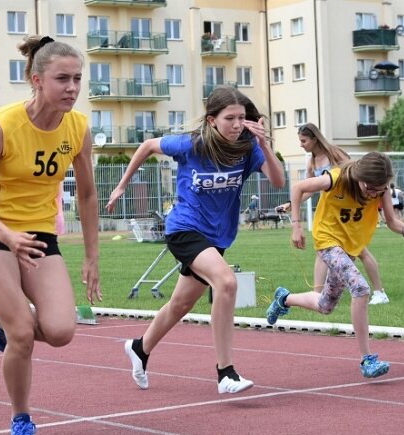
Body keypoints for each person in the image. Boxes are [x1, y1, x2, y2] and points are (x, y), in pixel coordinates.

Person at [0, 35, 101, 435]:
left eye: (77, 79)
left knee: (60, 331)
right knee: (22, 333)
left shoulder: (78, 128)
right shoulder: (2, 125)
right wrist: (5, 235)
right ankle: (21, 418)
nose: (72, 88)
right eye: (63, 79)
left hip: (40, 233)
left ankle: (3, 316)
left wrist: (93, 255)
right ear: (37, 80)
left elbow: (89, 195)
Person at [107, 85, 285, 395]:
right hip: (184, 229)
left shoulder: (247, 148)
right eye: (230, 118)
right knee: (227, 282)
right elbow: (148, 146)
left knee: (180, 305)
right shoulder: (192, 145)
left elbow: (279, 181)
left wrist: (263, 145)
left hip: (217, 236)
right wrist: (122, 185)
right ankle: (225, 372)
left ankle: (140, 348)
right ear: (212, 120)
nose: (237, 124)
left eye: (242, 118)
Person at [265, 152, 404, 378]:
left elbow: (391, 221)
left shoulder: (381, 189)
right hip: (328, 241)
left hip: (350, 248)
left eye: (379, 190)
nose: (373, 194)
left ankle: (284, 298)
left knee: (325, 306)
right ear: (360, 177)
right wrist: (296, 225)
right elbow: (299, 188)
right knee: (361, 288)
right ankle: (367, 359)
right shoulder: (336, 178)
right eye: (370, 189)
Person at [298, 123, 389, 305]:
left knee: (360, 251)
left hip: (348, 211)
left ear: (315, 138)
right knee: (322, 251)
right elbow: (309, 188)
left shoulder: (334, 153)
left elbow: (354, 171)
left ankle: (379, 291)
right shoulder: (312, 162)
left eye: (304, 140)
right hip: (332, 213)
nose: (301, 144)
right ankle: (316, 296)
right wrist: (292, 203)